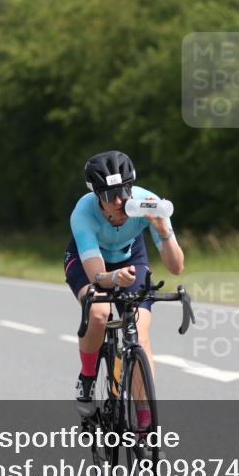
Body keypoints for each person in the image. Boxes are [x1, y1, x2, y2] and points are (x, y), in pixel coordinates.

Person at [65, 150, 185, 420]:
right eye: (111, 196)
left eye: (124, 191)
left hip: (130, 257)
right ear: (97, 196)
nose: (120, 201)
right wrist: (114, 277)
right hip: (90, 261)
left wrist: (164, 232)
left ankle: (144, 426)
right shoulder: (83, 214)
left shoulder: (147, 203)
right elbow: (97, 276)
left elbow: (177, 267)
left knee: (139, 336)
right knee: (99, 312)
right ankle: (87, 378)